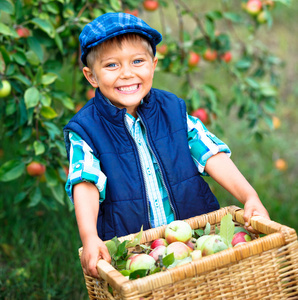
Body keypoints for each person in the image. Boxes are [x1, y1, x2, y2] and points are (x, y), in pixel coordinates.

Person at [63, 12, 270, 278]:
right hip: (135, 249)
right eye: (112, 65)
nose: (127, 73)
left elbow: (210, 153)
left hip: (193, 241)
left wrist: (249, 196)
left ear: (153, 64)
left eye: (138, 61)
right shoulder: (86, 129)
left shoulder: (172, 110)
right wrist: (89, 236)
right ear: (91, 76)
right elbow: (85, 181)